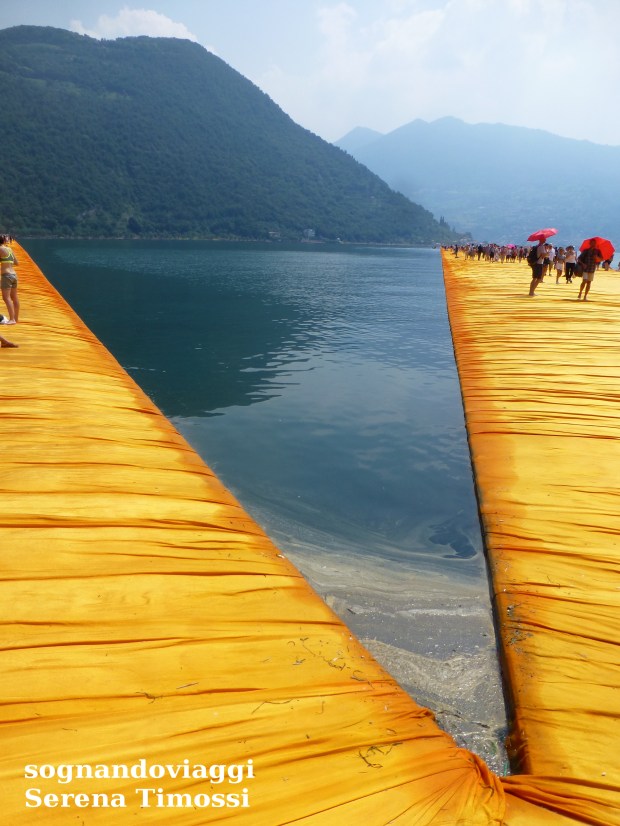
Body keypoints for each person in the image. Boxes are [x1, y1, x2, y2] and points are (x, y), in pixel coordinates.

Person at [0, 235, 19, 323]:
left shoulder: (0, 249)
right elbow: (17, 262)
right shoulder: (9, 249)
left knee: (6, 298)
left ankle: (12, 319)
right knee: (14, 297)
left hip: (6, 275)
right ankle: (16, 318)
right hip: (14, 275)